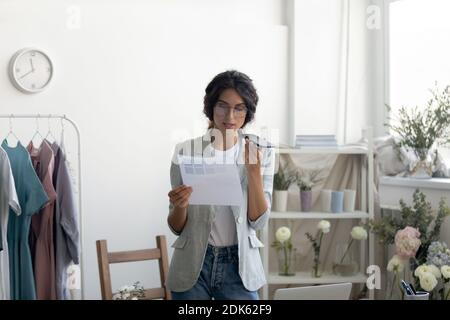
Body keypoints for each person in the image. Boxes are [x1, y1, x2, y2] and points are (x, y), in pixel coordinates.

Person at [167, 70, 275, 300]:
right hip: (194, 265)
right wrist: (180, 206)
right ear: (210, 107)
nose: (230, 116)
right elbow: (176, 227)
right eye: (222, 106)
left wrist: (253, 173)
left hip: (240, 266)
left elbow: (259, 222)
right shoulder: (186, 152)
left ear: (248, 111)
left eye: (239, 108)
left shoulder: (262, 151)